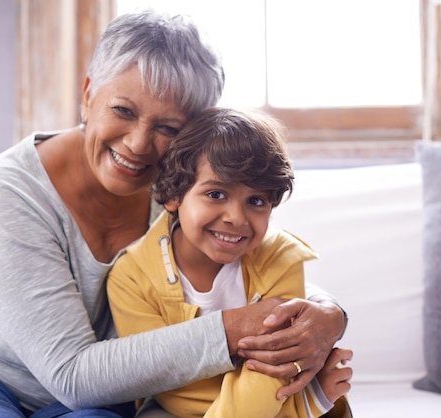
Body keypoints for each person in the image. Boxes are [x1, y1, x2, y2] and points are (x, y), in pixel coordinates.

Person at [0, 10, 347, 417]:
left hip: (104, 396)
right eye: (123, 111)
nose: (137, 143)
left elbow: (255, 264)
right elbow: (73, 375)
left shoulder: (182, 189)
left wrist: (329, 314)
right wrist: (233, 330)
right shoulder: (9, 193)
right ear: (89, 93)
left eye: (167, 128)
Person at [107, 107, 353, 418]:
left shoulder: (281, 257)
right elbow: (170, 385)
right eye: (216, 193)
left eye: (256, 201)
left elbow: (276, 367)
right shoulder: (131, 277)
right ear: (173, 196)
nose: (236, 218)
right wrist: (302, 407)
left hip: (270, 401)